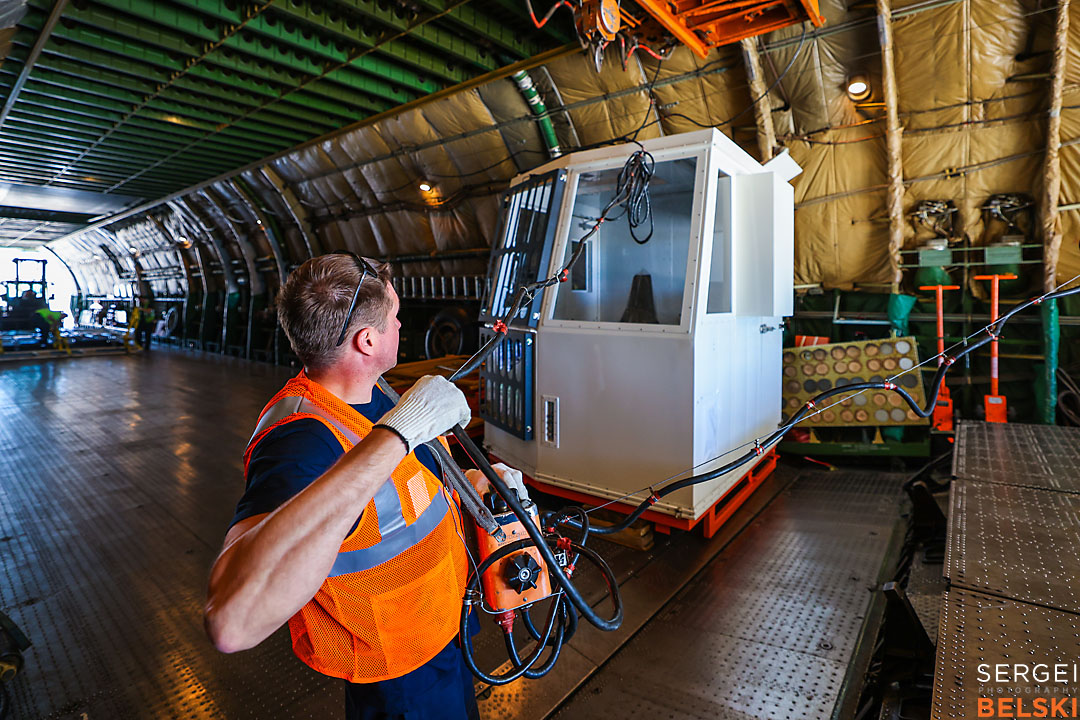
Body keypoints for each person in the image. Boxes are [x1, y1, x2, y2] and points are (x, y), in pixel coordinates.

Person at [205, 253, 509, 720]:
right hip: (398, 681)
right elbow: (232, 621)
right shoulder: (301, 440)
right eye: (395, 317)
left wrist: (474, 485)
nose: (402, 324)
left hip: (442, 634)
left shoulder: (378, 393)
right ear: (366, 339)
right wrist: (402, 433)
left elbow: (396, 497)